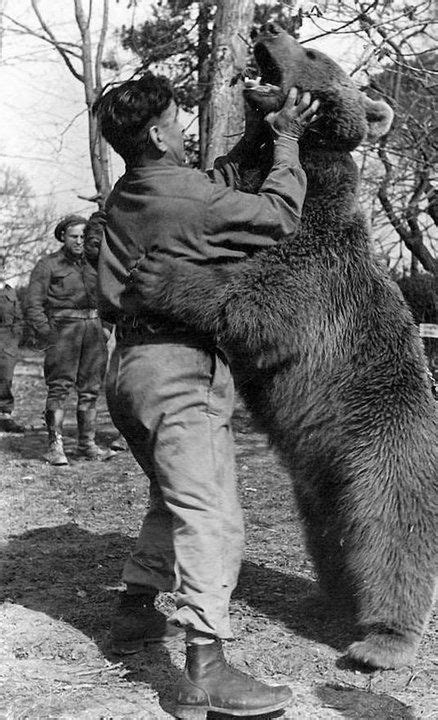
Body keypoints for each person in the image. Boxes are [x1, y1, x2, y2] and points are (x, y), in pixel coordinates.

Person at [94, 71, 318, 718]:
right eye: (177, 120)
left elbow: (209, 188)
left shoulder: (131, 190)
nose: (185, 128)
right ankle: (206, 667)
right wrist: (286, 145)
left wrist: (255, 131)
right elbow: (277, 215)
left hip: (127, 370)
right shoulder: (186, 197)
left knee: (171, 493)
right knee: (211, 514)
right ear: (161, 134)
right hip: (177, 368)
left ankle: (136, 608)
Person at [26, 215, 109, 465]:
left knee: (90, 389)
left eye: (84, 236)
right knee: (60, 387)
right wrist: (48, 334)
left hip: (94, 331)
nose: (80, 241)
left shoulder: (96, 265)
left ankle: (87, 444)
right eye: (74, 236)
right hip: (63, 331)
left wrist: (106, 328)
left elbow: (109, 296)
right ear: (63, 236)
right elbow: (33, 305)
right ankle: (55, 446)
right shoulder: (48, 265)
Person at [83, 211, 128, 452]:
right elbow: (93, 249)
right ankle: (127, 431)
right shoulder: (104, 233)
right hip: (123, 319)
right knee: (119, 379)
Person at [0, 265, 25, 433]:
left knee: (5, 378)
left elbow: (18, 318)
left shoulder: (10, 292)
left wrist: (14, 340)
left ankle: (5, 417)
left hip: (7, 342)